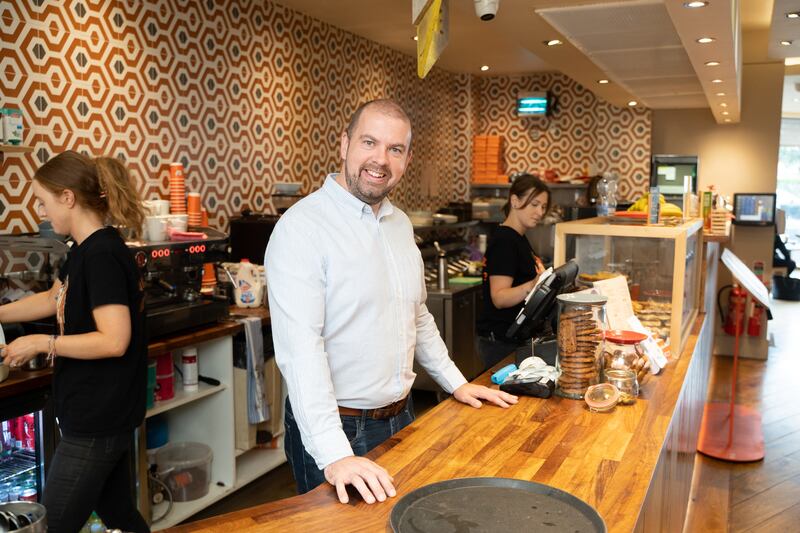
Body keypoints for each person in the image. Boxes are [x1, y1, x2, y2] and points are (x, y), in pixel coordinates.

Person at [265, 99, 517, 506]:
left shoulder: (398, 223)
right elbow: (301, 352)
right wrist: (336, 455)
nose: (380, 160)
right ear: (344, 144)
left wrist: (456, 383)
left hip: (402, 417)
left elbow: (416, 314)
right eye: (369, 142)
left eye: (395, 149)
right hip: (339, 429)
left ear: (407, 159)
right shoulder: (301, 228)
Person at [0, 151, 149, 533]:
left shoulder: (101, 254)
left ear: (67, 197)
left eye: (43, 201)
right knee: (120, 515)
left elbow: (114, 340)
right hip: (101, 412)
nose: (41, 212)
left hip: (97, 416)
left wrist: (41, 343)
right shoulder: (84, 249)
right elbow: (53, 298)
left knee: (54, 525)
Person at [476, 174, 551, 368]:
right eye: (534, 204)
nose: (540, 212)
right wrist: (534, 284)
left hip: (513, 339)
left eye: (543, 207)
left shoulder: (518, 238)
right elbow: (499, 298)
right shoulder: (505, 241)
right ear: (515, 201)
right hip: (499, 342)